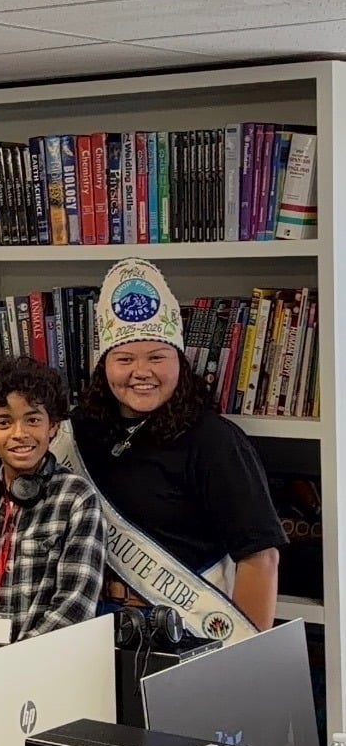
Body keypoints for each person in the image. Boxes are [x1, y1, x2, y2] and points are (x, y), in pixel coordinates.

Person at [63, 258, 285, 636]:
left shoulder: (215, 441)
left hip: (186, 629)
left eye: (157, 357)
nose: (141, 372)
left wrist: (247, 654)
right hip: (90, 622)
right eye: (124, 359)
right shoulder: (77, 431)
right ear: (103, 366)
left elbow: (260, 558)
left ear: (179, 361)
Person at [0, 356, 105, 660]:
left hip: (52, 663)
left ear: (52, 426)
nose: (19, 433)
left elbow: (75, 604)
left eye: (33, 420)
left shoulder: (76, 498)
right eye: (4, 422)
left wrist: (14, 664)